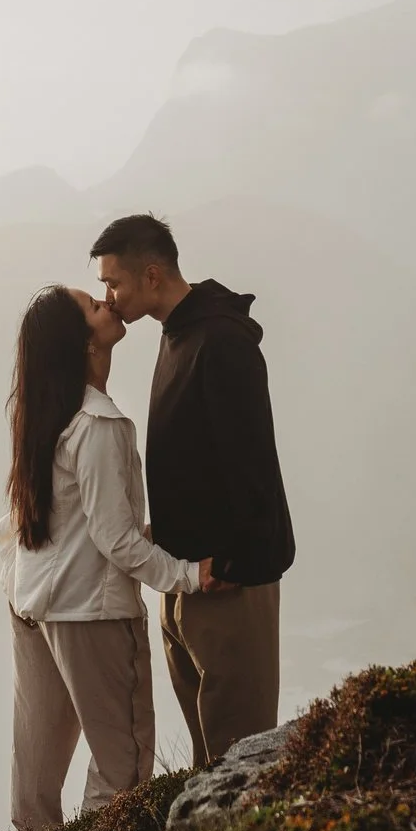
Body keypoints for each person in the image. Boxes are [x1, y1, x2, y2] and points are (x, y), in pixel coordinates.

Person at [0, 285, 222, 831]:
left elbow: (69, 519)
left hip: (31, 599)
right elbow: (113, 540)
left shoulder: (43, 414)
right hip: (88, 612)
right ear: (82, 341)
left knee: (38, 757)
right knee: (126, 762)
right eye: (94, 305)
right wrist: (188, 576)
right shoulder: (97, 423)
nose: (108, 302)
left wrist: (150, 532)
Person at [91, 213, 294, 766]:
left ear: (152, 275)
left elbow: (250, 459)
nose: (107, 296)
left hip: (229, 586)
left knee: (242, 763)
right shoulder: (178, 334)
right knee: (210, 768)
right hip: (185, 583)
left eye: (115, 282)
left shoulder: (221, 340)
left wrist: (230, 563)